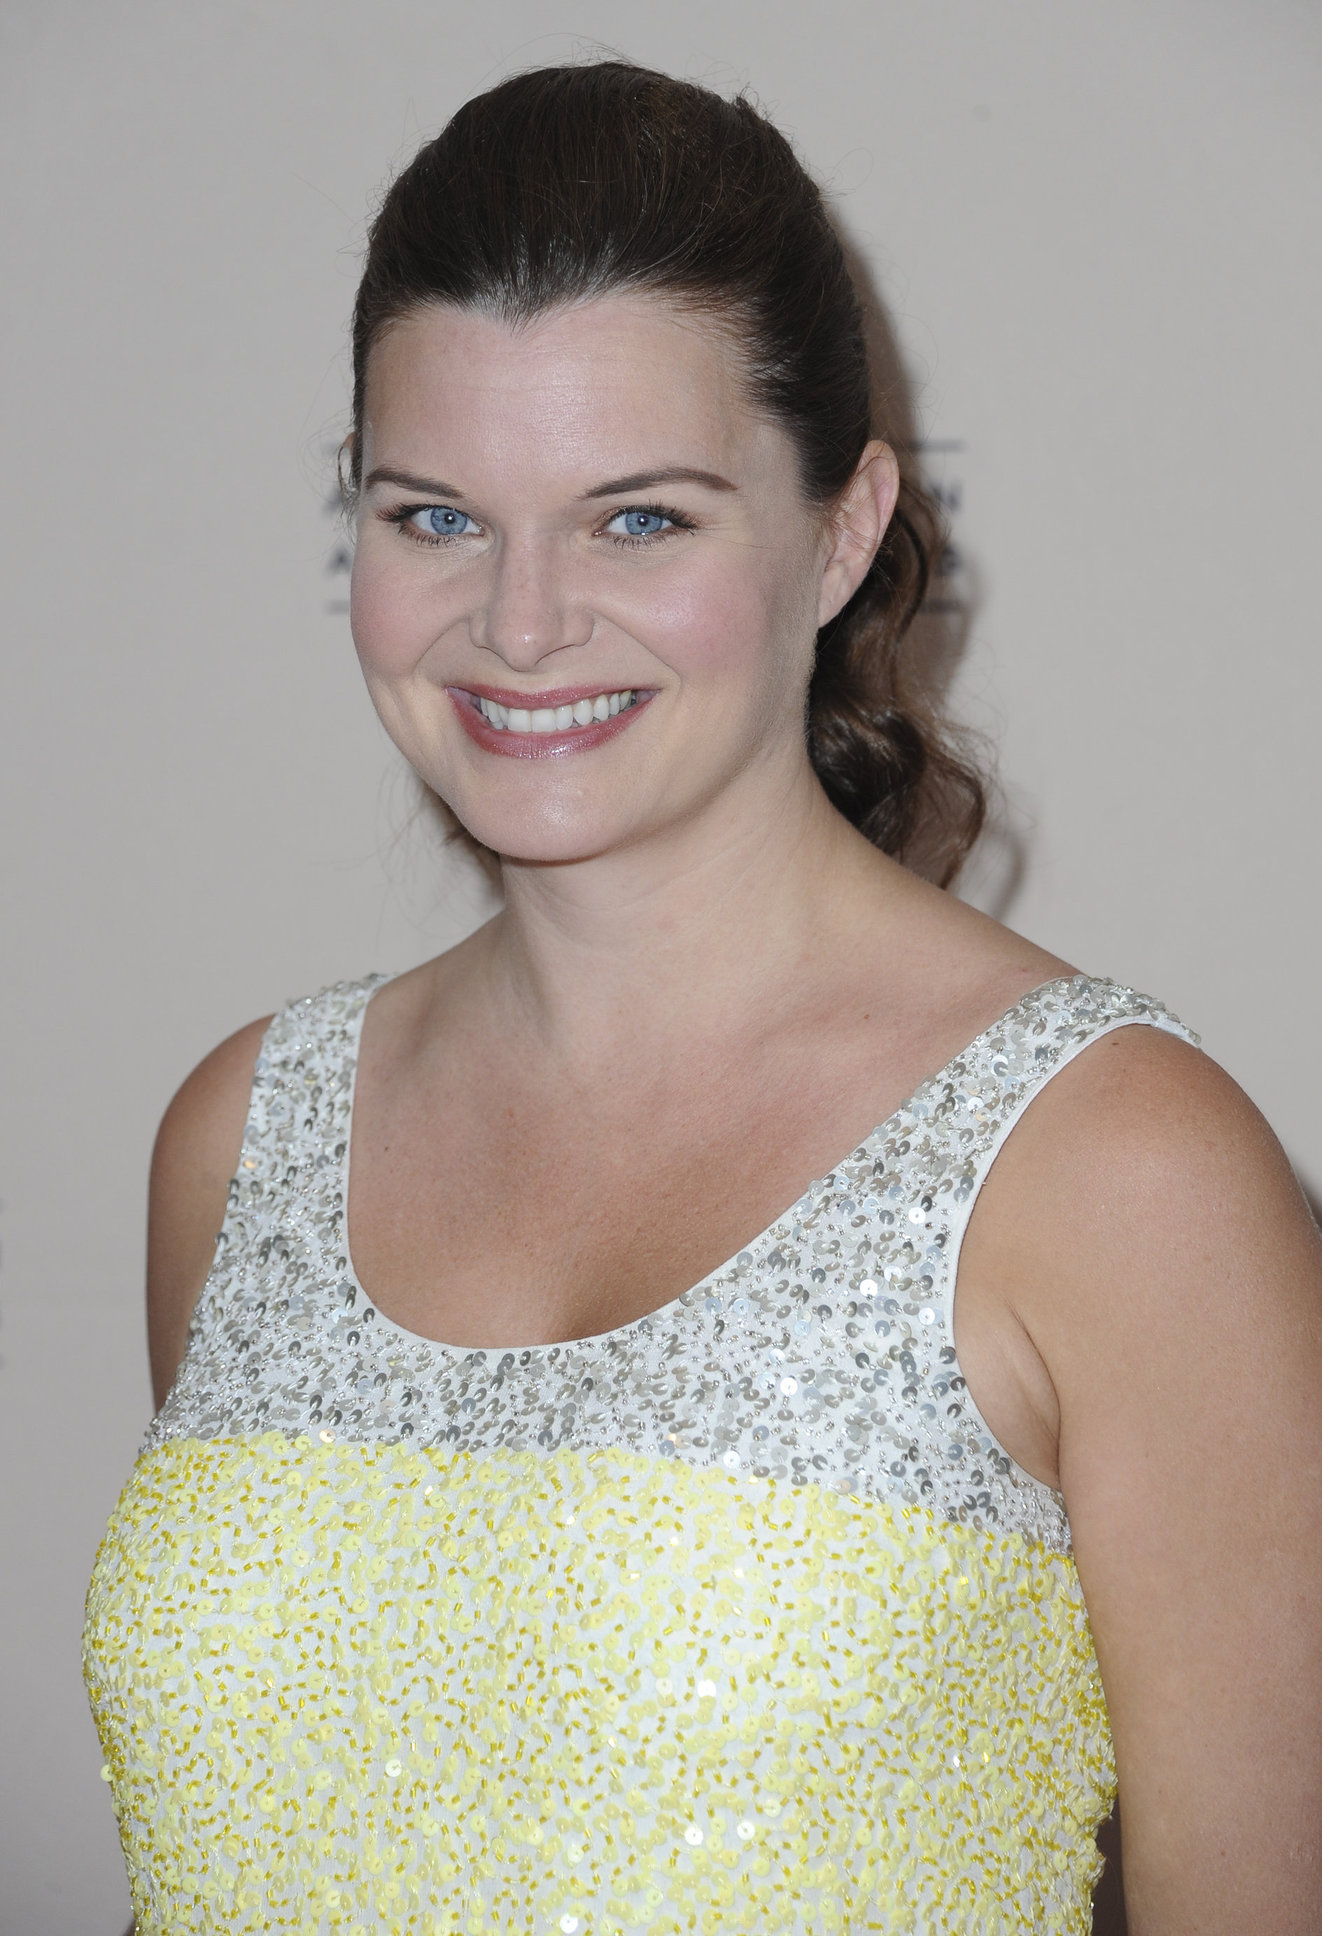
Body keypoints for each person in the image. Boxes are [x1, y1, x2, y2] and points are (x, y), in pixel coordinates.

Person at [82, 60, 1322, 1936]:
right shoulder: (241, 1137)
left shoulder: (1120, 1173)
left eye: (637, 520)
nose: (517, 622)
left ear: (841, 530)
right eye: (432, 518)